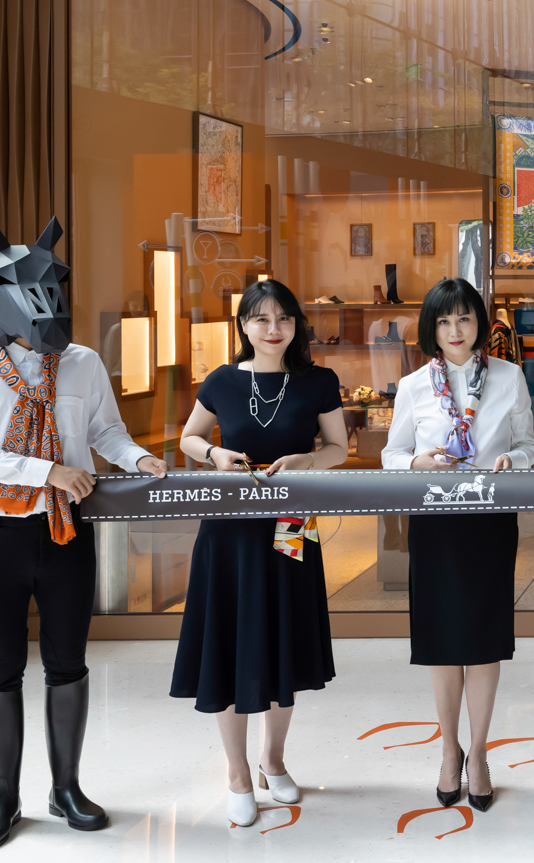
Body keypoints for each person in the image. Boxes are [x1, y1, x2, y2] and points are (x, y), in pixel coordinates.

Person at [0, 216, 169, 852]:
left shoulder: (82, 363)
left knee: (69, 662)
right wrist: (48, 472)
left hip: (67, 532)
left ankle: (66, 789)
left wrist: (138, 459)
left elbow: (105, 432)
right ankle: (3, 798)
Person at [171, 279, 348, 828]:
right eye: (262, 319)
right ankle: (237, 773)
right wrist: (214, 453)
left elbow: (339, 449)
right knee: (230, 643)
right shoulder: (222, 381)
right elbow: (188, 438)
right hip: (228, 531)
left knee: (283, 640)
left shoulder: (318, 381)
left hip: (291, 526)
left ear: (297, 325)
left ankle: (274, 760)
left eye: (284, 319)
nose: (274, 329)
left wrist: (304, 461)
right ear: (244, 325)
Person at [383, 278, 534, 813]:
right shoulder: (414, 386)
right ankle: (448, 750)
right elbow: (391, 455)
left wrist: (513, 461)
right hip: (435, 522)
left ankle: (479, 753)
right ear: (431, 328)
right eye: (444, 321)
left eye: (465, 319)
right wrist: (416, 462)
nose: (455, 330)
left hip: (490, 520)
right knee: (442, 641)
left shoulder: (509, 376)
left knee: (483, 639)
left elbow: (529, 445)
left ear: (480, 324)